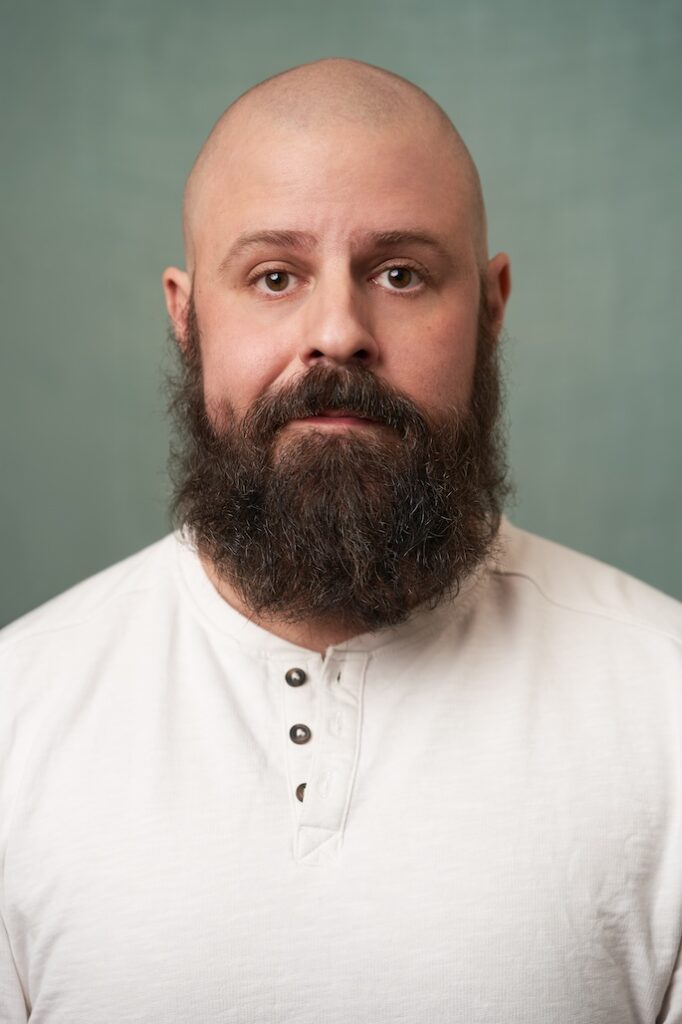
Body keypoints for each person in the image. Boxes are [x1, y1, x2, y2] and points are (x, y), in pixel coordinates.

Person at [0, 57, 680, 1024]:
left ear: (491, 308)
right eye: (274, 276)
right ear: (185, 319)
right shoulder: (14, 721)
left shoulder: (668, 706)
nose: (338, 331)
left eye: (400, 273)